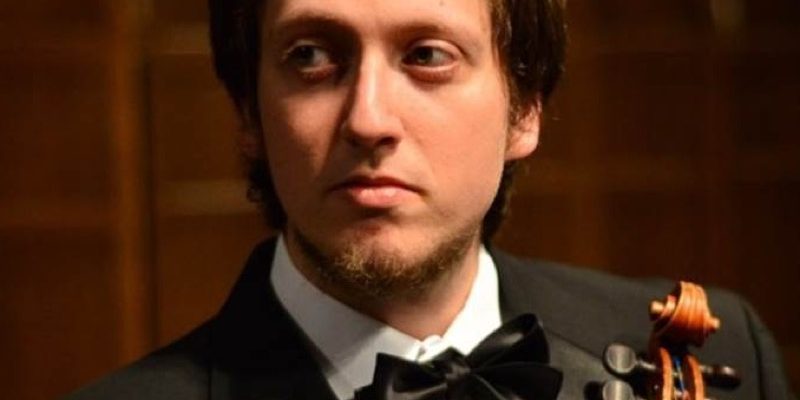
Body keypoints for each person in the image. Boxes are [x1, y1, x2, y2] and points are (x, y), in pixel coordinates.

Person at [66, 0, 795, 399]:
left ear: (525, 110)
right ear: (249, 114)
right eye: (311, 55)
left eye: (426, 56)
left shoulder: (720, 351)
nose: (369, 120)